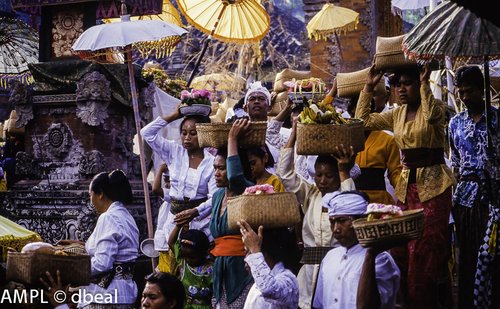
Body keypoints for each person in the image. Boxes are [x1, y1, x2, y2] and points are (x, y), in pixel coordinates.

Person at [355, 64, 455, 309]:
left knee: (426, 249)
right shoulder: (396, 114)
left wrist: (424, 83)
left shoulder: (437, 107)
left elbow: (432, 117)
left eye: (407, 83)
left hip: (434, 185)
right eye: (397, 84)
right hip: (406, 187)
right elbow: (363, 120)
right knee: (401, 248)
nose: (401, 89)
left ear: (419, 83)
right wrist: (368, 86)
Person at [277, 116, 357, 309]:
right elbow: (285, 175)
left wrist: (344, 170)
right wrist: (294, 135)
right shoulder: (310, 194)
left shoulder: (346, 194)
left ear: (338, 175)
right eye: (318, 175)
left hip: (339, 269)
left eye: (329, 176)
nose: (322, 181)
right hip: (309, 271)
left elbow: (350, 202)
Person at [44, 170, 139, 308]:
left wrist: (71, 269)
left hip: (106, 296)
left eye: (90, 195)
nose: (91, 201)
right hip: (124, 293)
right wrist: (81, 245)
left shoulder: (108, 217)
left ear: (100, 193)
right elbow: (117, 251)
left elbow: (103, 262)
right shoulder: (127, 217)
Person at [448, 65, 500, 308]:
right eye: (461, 93)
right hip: (465, 200)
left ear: (482, 90)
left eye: (469, 91)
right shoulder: (455, 124)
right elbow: (455, 162)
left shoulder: (497, 119)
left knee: (491, 255)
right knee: (467, 255)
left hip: (494, 199)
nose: (465, 97)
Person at [141, 105, 217, 261]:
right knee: (169, 270)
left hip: (199, 224)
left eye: (193, 133)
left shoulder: (211, 162)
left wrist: (195, 211)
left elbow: (215, 197)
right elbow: (146, 133)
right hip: (173, 221)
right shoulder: (174, 151)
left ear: (204, 134)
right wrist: (174, 115)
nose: (187, 138)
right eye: (184, 133)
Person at [312, 191, 400, 308]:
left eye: (342, 220)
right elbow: (319, 305)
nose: (335, 229)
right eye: (332, 222)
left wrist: (370, 254)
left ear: (362, 220)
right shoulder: (330, 257)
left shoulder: (380, 259)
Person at [238, 219, 299, 309]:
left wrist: (255, 249)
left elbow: (269, 289)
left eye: (249, 252)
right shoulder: (256, 285)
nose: (246, 258)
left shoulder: (288, 280)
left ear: (263, 254)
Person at [168, 227, 213, 308]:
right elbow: (171, 242)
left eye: (192, 257)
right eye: (185, 256)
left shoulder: (212, 269)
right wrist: (178, 225)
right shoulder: (183, 262)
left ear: (205, 253)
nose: (187, 260)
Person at [152, 163, 176, 273]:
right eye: (165, 180)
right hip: (163, 247)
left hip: (170, 246)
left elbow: (155, 189)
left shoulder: (175, 194)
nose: (166, 184)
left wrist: (161, 169)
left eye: (169, 181)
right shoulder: (165, 203)